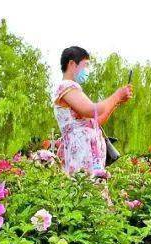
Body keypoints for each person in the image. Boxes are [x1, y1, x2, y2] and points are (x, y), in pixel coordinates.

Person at [52, 46, 132, 176]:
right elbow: (92, 110)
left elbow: (96, 121)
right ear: (72, 63)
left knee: (93, 192)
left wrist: (116, 102)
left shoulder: (74, 89)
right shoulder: (66, 86)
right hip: (81, 154)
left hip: (89, 155)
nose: (87, 70)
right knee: (86, 190)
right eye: (85, 65)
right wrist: (116, 95)